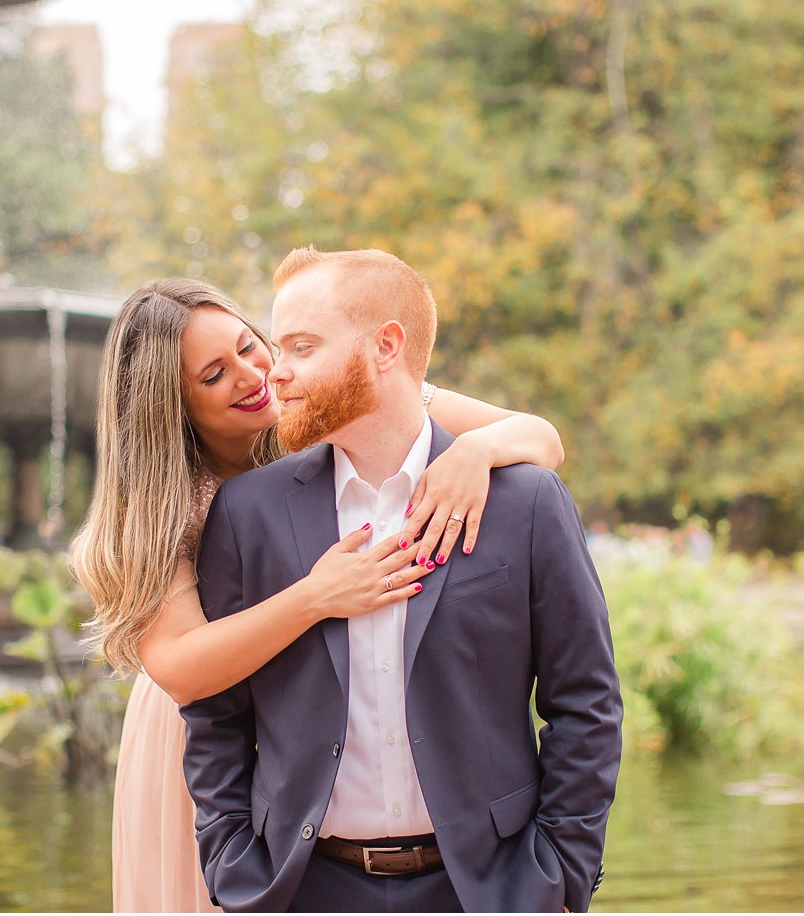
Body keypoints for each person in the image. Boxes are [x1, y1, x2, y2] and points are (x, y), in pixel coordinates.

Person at [69, 278, 567, 913]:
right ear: (170, 406)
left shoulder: (321, 402)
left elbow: (542, 438)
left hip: (322, 720)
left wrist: (475, 451)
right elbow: (181, 669)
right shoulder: (163, 505)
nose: (255, 375)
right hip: (208, 736)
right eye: (216, 374)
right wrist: (315, 596)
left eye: (252, 347)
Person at [181, 248, 622, 912]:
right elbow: (217, 715)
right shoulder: (248, 515)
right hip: (303, 890)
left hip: (491, 891)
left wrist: (557, 873)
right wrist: (234, 864)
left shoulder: (527, 502)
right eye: (278, 345)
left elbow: (586, 701)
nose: (276, 370)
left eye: (301, 345)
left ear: (387, 346)